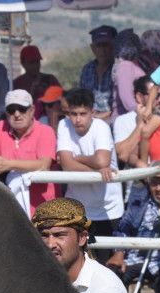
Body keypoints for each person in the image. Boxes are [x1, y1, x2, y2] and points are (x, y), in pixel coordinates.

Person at [31, 198, 140, 293]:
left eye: (59, 235)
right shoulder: (39, 282)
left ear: (82, 238)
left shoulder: (105, 288)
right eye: (44, 235)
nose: (50, 244)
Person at [56, 88, 123, 261]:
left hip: (108, 209)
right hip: (78, 209)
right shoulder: (64, 125)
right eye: (73, 113)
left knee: (107, 265)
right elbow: (66, 164)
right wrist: (95, 172)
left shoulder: (101, 127)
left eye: (83, 113)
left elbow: (102, 161)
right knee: (78, 264)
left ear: (92, 112)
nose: (77, 119)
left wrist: (77, 158)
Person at [0, 88, 58, 216]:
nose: (17, 114)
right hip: (8, 209)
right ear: (6, 113)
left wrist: (7, 164)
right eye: (11, 110)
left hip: (43, 209)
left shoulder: (45, 131)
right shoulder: (0, 127)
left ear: (32, 110)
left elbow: (44, 165)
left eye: (22, 109)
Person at [113, 76, 153, 169]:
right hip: (136, 179)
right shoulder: (123, 121)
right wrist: (140, 125)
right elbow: (123, 155)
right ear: (139, 97)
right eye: (155, 95)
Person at [79, 25, 117, 122]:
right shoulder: (87, 69)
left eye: (106, 45)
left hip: (113, 119)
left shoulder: (119, 68)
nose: (102, 50)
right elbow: (82, 98)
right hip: (90, 120)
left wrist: (106, 115)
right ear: (93, 48)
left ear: (113, 46)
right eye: (98, 46)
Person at [111, 30, 148, 117]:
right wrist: (143, 113)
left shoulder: (135, 65)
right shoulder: (125, 66)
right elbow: (127, 99)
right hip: (127, 119)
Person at [12, 45, 59, 111]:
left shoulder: (50, 80)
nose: (35, 66)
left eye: (37, 62)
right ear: (23, 63)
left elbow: (60, 101)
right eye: (31, 63)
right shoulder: (16, 84)